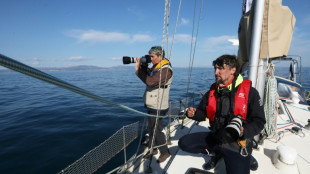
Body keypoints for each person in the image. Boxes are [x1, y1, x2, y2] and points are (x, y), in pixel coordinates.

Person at [186, 54, 266, 174]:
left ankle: (247, 156)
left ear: (232, 70)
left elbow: (259, 121)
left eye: (220, 69)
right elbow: (203, 113)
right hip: (217, 137)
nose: (215, 72)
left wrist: (244, 130)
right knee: (185, 143)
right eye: (215, 68)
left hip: (237, 143)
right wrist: (193, 114)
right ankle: (217, 154)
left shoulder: (250, 92)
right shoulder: (212, 92)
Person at [135, 46, 173, 163]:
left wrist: (138, 71)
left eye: (152, 56)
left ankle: (165, 152)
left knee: (156, 130)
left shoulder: (166, 70)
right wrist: (143, 66)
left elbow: (150, 82)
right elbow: (148, 76)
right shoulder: (156, 68)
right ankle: (153, 149)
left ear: (160, 56)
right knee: (151, 128)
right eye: (150, 56)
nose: (150, 59)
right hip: (152, 103)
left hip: (159, 105)